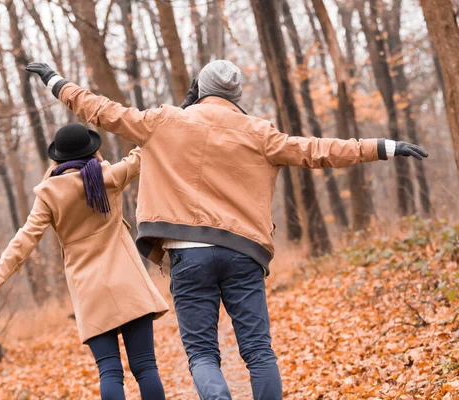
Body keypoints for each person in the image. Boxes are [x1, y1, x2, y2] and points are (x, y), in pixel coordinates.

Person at [26, 60, 428, 400]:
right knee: (257, 349)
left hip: (187, 254)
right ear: (235, 96)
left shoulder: (165, 121)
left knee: (202, 353)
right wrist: (384, 146)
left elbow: (102, 110)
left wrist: (55, 81)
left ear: (199, 88)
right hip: (243, 253)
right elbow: (319, 151)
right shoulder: (259, 132)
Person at [0, 124, 169, 400]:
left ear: (57, 158)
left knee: (109, 371)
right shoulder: (110, 176)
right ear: (92, 151)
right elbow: (147, 150)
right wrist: (183, 109)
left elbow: (23, 240)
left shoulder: (49, 194)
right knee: (144, 367)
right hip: (128, 283)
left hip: (89, 292)